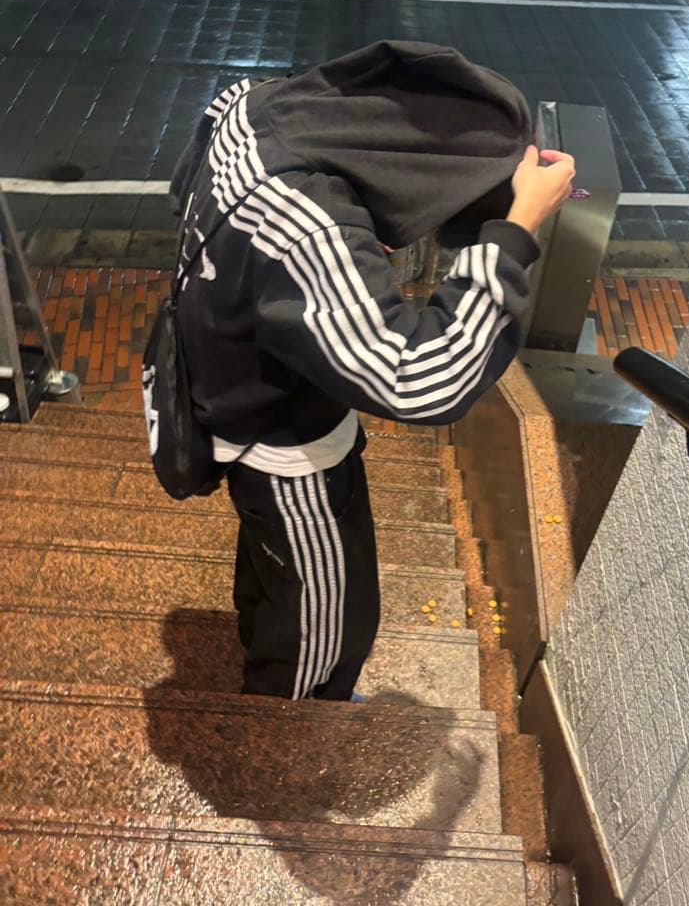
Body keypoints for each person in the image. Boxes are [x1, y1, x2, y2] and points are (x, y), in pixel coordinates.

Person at [168, 41, 576, 702]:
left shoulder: (248, 105)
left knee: (274, 566)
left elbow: (184, 191)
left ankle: (264, 651)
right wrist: (516, 229)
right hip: (282, 447)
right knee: (326, 629)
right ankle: (287, 736)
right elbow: (422, 377)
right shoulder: (308, 225)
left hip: (215, 378)